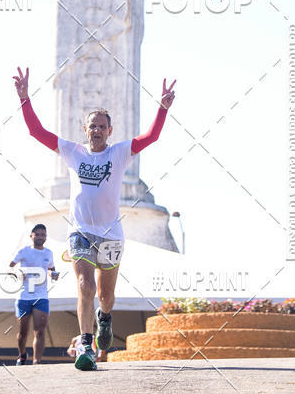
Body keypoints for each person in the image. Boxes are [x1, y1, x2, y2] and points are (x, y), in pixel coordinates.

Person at [12, 66, 176, 371]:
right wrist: (24, 99)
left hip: (111, 234)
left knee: (105, 295)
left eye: (102, 126)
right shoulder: (73, 152)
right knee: (85, 286)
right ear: (85, 130)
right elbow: (37, 132)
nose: (97, 130)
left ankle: (104, 319)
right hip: (81, 232)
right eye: (92, 126)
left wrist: (162, 108)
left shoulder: (120, 153)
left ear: (110, 131)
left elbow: (151, 136)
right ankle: (85, 344)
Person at [10, 224, 59, 365]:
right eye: (37, 234)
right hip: (24, 296)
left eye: (43, 234)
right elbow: (9, 267)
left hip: (41, 296)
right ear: (31, 236)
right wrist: (17, 273)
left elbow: (50, 269)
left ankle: (37, 361)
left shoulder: (48, 253)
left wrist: (53, 274)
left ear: (46, 237)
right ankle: (22, 355)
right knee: (23, 333)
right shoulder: (24, 251)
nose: (40, 237)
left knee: (40, 331)